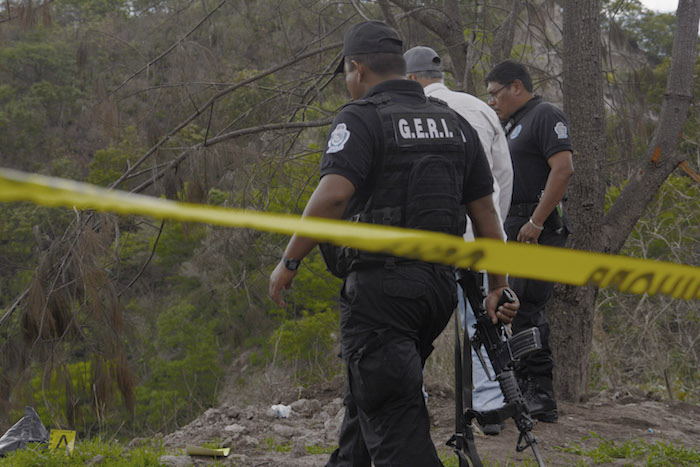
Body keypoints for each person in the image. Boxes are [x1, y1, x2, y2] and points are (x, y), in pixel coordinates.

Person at [269, 21, 519, 467]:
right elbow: (486, 215)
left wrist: (290, 261)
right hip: (436, 293)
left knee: (393, 416)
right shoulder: (456, 123)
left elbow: (333, 196)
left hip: (382, 294)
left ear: (357, 69)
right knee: (371, 398)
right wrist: (496, 285)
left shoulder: (361, 117)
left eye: (347, 74)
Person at [404, 45, 513, 436]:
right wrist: (494, 229)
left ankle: (411, 401)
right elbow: (503, 177)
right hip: (479, 237)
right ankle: (490, 407)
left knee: (412, 324)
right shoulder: (480, 110)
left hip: (426, 241)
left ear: (411, 77)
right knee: (482, 323)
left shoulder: (407, 115)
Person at [485, 60, 574, 423]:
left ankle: (541, 396)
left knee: (527, 309)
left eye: (495, 93)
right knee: (511, 308)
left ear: (516, 87)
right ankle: (520, 388)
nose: (491, 101)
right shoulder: (510, 125)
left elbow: (564, 168)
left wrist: (536, 221)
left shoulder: (544, 115)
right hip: (512, 226)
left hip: (537, 230)